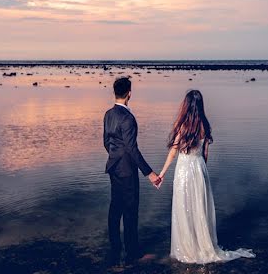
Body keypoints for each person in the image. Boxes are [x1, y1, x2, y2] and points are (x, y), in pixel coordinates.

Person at [156, 89, 254, 264]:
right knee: (199, 208)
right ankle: (202, 245)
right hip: (199, 169)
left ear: (186, 106)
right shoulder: (204, 125)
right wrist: (201, 171)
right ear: (200, 106)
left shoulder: (183, 126)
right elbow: (205, 154)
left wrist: (161, 174)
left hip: (184, 169)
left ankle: (188, 248)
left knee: (184, 209)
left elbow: (173, 152)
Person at [103, 76, 161, 264]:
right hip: (127, 170)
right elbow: (131, 148)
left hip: (113, 167)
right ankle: (133, 253)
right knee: (130, 211)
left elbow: (106, 141)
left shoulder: (108, 114)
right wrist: (149, 173)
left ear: (115, 92)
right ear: (129, 94)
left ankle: (114, 250)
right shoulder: (128, 118)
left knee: (115, 208)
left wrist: (114, 156)